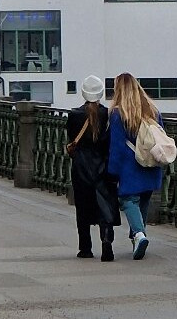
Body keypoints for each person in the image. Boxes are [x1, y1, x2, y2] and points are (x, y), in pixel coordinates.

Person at [107, 72, 164, 260]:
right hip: (151, 163)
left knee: (128, 200)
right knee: (144, 200)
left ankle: (139, 234)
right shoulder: (153, 110)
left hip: (130, 166)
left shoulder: (118, 113)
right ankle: (138, 239)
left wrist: (113, 172)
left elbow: (116, 147)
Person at [66, 75, 120, 261]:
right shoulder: (108, 114)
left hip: (81, 166)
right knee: (105, 204)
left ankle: (85, 247)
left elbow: (71, 139)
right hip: (103, 164)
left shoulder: (74, 115)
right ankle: (106, 241)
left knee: (82, 207)